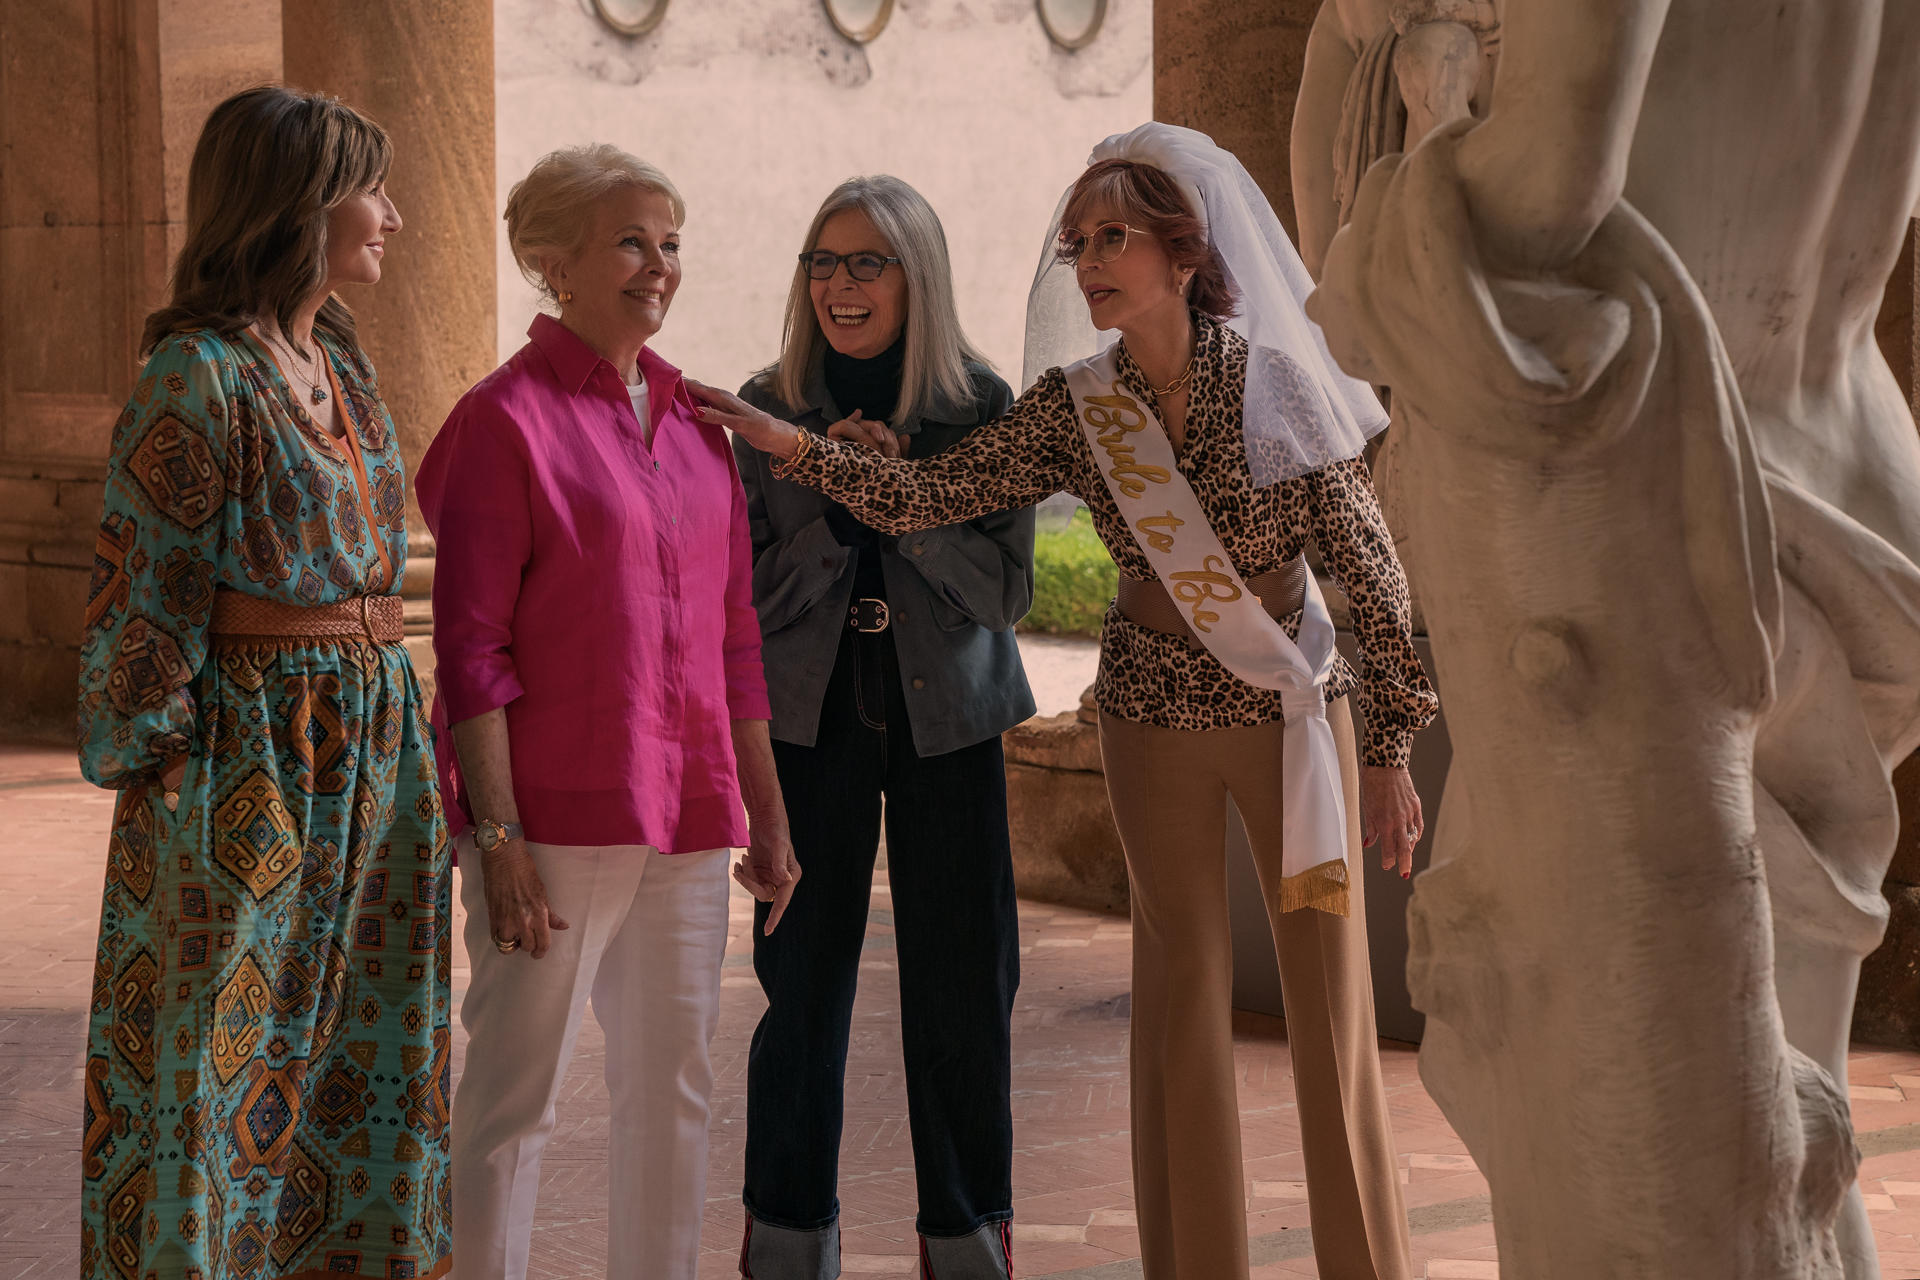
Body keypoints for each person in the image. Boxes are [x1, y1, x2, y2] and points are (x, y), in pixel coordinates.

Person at [698, 123, 1437, 1280]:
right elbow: (938, 492)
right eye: (1078, 240)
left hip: (1296, 718)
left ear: (1184, 254)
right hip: (1147, 726)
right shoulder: (1073, 405)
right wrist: (798, 449)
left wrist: (1388, 746)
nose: (1087, 262)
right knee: (1178, 1004)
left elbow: (1374, 569)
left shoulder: (1280, 382)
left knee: (1328, 1007)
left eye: (1115, 239)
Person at [75, 85, 450, 1280]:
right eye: (368, 189)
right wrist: (172, 773)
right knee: (217, 1065)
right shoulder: (197, 372)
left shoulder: (339, 357)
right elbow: (141, 590)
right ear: (300, 205)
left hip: (372, 750)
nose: (391, 213)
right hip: (248, 762)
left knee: (363, 1054)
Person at [416, 143, 790, 1280]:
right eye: (631, 240)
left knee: (671, 1092)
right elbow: (470, 650)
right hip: (554, 821)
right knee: (513, 1103)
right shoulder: (501, 422)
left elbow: (736, 639)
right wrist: (499, 835)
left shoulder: (695, 427)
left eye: (670, 243)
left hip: (686, 816)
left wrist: (765, 815)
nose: (659, 267)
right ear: (552, 261)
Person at [732, 176, 1035, 1280]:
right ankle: (785, 1237)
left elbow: (1004, 594)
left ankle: (966, 1238)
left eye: (868, 262)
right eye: (824, 259)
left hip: (949, 715)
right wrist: (839, 508)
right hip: (811, 716)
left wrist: (901, 507)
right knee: (799, 979)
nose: (840, 284)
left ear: (920, 277)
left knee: (963, 980)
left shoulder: (979, 406)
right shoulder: (768, 406)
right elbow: (748, 600)